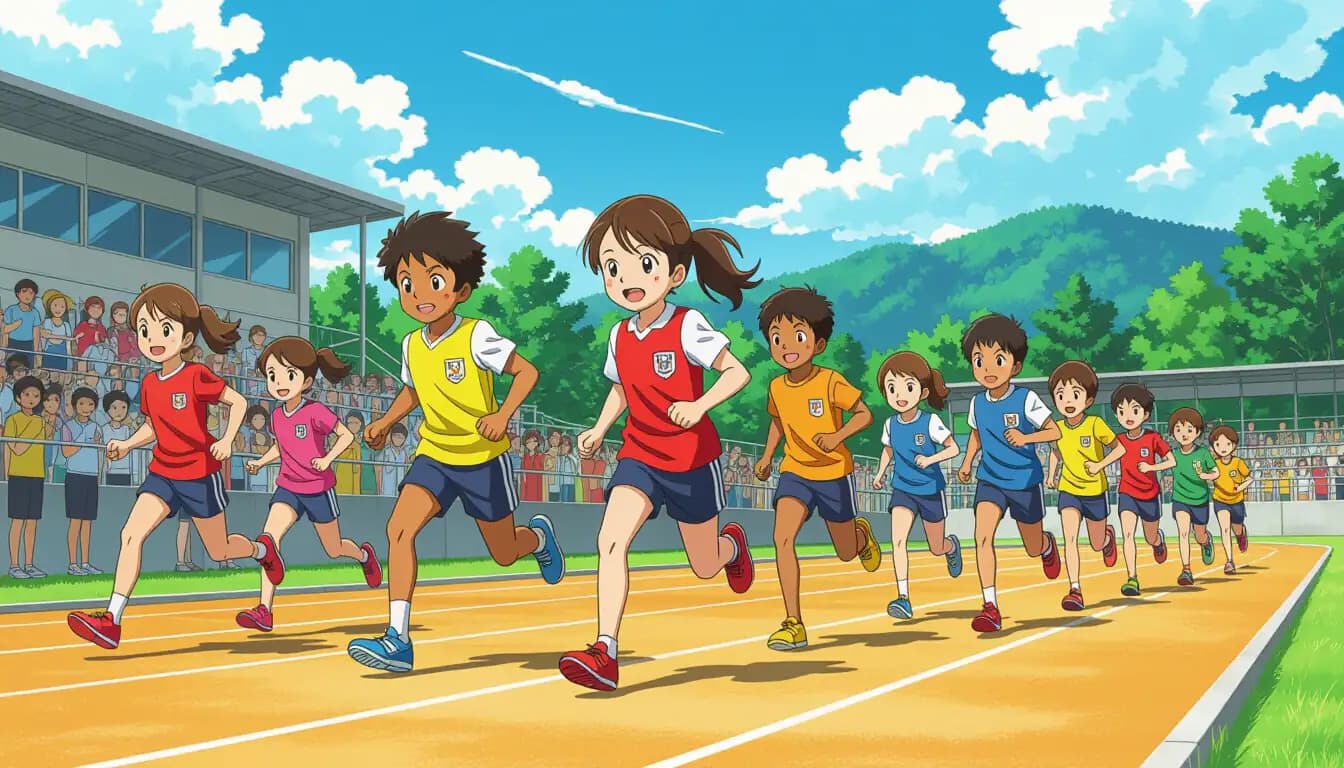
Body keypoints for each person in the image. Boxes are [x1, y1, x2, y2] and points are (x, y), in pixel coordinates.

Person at [346, 211, 564, 673]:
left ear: (460, 289)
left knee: (504, 553)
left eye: (433, 280)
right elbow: (414, 389)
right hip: (435, 456)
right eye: (407, 284)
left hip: (482, 460)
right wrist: (385, 422)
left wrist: (502, 417)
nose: (420, 294)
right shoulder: (410, 344)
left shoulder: (476, 335)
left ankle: (538, 537)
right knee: (398, 530)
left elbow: (527, 372)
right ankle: (397, 640)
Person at [558, 194, 757, 691]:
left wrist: (699, 406)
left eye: (643, 264)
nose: (626, 278)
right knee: (610, 540)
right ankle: (605, 650)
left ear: (674, 273)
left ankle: (731, 548)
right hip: (640, 456)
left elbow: (737, 372)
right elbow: (621, 388)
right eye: (611, 267)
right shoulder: (618, 335)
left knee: (704, 565)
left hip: (691, 461)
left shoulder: (687, 325)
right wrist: (601, 429)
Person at [66, 283, 285, 650]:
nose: (154, 338)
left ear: (184, 338)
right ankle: (112, 619)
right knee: (131, 534)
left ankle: (262, 551)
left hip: (199, 474)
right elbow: (153, 426)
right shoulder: (150, 383)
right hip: (163, 473)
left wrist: (228, 439)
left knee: (219, 551)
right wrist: (127, 443)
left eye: (164, 330)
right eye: (146, 330)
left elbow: (239, 402)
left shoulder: (196, 375)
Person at [751, 287, 879, 650]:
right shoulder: (776, 386)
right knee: (782, 538)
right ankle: (794, 622)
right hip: (795, 472)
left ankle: (860, 535)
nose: (787, 345)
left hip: (833, 473)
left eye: (798, 336)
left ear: (818, 344)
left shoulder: (829, 381)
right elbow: (777, 421)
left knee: (846, 552)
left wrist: (838, 436)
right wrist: (767, 457)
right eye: (777, 338)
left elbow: (864, 414)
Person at [236, 337, 382, 632]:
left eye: (288, 375)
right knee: (268, 541)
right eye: (273, 375)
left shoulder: (315, 411)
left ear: (306, 381)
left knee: (333, 547)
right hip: (288, 486)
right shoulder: (277, 415)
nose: (279, 382)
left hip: (318, 488)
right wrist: (261, 462)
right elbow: (281, 447)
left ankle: (365, 556)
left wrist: (327, 459)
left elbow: (346, 436)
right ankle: (264, 609)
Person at [954, 314, 1062, 633]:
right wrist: (966, 462)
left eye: (997, 359)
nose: (988, 368)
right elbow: (975, 434)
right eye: (979, 359)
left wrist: (1027, 437)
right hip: (990, 480)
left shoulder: (1025, 399)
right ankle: (990, 606)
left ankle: (1045, 546)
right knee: (982, 537)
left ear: (1014, 365)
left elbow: (1053, 431)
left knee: (1031, 545)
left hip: (1024, 481)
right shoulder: (976, 402)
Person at [870, 351, 963, 621]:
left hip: (930, 490)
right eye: (892, 388)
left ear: (922, 392)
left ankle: (950, 547)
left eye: (907, 387)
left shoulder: (930, 422)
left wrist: (931, 458)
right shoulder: (890, 424)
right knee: (898, 541)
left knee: (935, 547)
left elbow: (953, 448)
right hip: (903, 489)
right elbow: (888, 451)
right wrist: (879, 474)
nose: (899, 394)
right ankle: (903, 598)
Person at [1045, 361, 1123, 611]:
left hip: (1095, 491)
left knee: (1096, 543)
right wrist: (1051, 474)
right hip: (1069, 490)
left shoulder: (1096, 424)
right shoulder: (1055, 429)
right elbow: (1056, 453)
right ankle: (1075, 589)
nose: (1068, 400)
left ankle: (1106, 537)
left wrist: (1100, 465)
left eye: (1075, 394)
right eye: (1061, 395)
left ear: (1088, 400)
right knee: (1070, 539)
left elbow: (1119, 448)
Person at [1111, 383, 1175, 597]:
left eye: (1134, 410)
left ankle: (1158, 541)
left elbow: (1171, 461)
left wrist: (1151, 467)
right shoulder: (1118, 440)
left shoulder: (1153, 438)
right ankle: (1132, 577)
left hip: (1149, 494)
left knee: (1149, 537)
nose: (1128, 416)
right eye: (1122, 411)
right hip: (1127, 493)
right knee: (1127, 534)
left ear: (1145, 414)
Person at [1167, 407, 1220, 586]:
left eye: (1189, 430)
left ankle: (1206, 541)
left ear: (1197, 432)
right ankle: (1186, 569)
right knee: (1183, 533)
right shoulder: (1173, 455)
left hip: (1200, 500)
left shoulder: (1203, 453)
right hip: (1180, 499)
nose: (1184, 434)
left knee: (1199, 535)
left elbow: (1215, 471)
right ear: (1173, 432)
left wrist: (1206, 476)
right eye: (1179, 429)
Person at [5, 376, 46, 578]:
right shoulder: (12, 420)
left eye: (36, 395)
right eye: (27, 394)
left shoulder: (40, 421)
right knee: (18, 521)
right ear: (18, 397)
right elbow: (15, 449)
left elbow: (22, 447)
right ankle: (14, 565)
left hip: (37, 475)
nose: (31, 398)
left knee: (32, 522)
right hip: (18, 475)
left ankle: (29, 564)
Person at [61, 387, 103, 576]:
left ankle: (85, 562)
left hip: (91, 476)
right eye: (82, 404)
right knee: (75, 521)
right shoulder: (68, 427)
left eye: (90, 404)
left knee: (88, 522)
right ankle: (72, 563)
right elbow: (66, 452)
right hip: (75, 475)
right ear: (75, 405)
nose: (86, 408)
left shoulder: (97, 427)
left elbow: (100, 453)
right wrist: (83, 440)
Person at [1210, 425, 1253, 574]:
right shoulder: (1214, 464)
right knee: (1225, 528)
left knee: (1236, 528)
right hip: (1220, 500)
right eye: (1218, 444)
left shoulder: (1238, 462)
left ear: (1233, 445)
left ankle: (1241, 534)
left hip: (1236, 501)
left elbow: (1249, 478)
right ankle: (1229, 561)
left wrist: (1240, 488)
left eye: (1227, 444)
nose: (1222, 448)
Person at [36, 289, 76, 371]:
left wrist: (70, 363)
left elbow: (68, 347)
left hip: (63, 358)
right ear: (49, 306)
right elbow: (46, 338)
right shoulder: (47, 322)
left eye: (62, 306)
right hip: (48, 357)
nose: (58, 309)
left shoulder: (66, 325)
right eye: (55, 305)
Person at [3, 278, 42, 358]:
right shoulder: (11, 310)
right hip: (13, 343)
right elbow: (5, 331)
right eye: (24, 291)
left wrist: (36, 351)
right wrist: (4, 349)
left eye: (31, 293)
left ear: (34, 296)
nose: (27, 295)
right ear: (17, 293)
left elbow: (36, 333)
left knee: (27, 369)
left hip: (28, 345)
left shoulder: (35, 313)